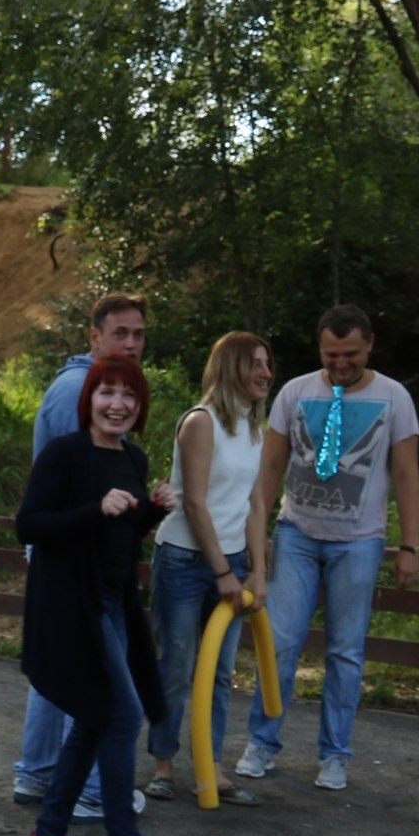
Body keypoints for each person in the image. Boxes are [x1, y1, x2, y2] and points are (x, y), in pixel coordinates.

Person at [235, 304, 419, 792]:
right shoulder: (295, 392)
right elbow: (270, 468)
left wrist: (410, 545)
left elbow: (405, 473)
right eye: (331, 354)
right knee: (280, 641)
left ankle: (335, 753)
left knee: (345, 651)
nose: (341, 363)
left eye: (351, 354)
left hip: (359, 540)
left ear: (370, 345)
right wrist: (256, 539)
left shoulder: (394, 397)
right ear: (319, 348)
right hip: (296, 531)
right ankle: (262, 741)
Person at [15, 356, 184, 836]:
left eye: (129, 395)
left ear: (140, 407)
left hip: (115, 601)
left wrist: (152, 511)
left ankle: (50, 833)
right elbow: (29, 526)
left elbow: (122, 532)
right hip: (72, 607)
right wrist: (95, 508)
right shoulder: (66, 454)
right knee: (123, 714)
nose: (118, 404)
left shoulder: (133, 457)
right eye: (107, 392)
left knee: (94, 715)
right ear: (89, 398)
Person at [16, 291, 149, 816]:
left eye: (139, 335)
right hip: (73, 562)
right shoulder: (80, 390)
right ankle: (89, 790)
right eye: (121, 334)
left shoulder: (94, 387)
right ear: (94, 337)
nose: (132, 344)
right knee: (88, 676)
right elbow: (76, 495)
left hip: (77, 557)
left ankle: (38, 772)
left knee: (59, 666)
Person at [145, 333, 273, 805]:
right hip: (184, 559)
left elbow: (256, 502)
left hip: (233, 561)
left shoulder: (254, 427)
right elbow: (195, 503)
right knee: (177, 665)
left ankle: (211, 767)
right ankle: (162, 763)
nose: (265, 373)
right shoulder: (201, 423)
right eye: (255, 364)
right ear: (231, 369)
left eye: (267, 364)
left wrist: (257, 571)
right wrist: (223, 572)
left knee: (219, 671)